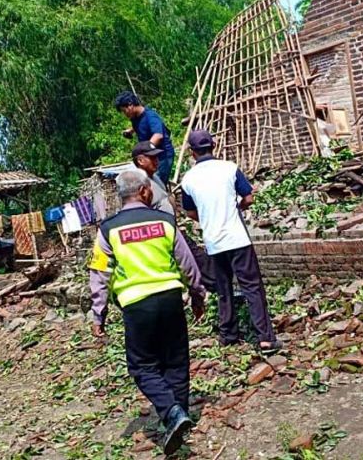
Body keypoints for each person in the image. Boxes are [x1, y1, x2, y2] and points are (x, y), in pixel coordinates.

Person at [89, 170, 206, 455]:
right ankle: (177, 416)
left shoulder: (108, 229)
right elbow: (186, 261)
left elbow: (100, 272)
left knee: (142, 366)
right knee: (176, 361)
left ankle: (172, 414)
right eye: (150, 188)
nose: (153, 191)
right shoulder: (164, 221)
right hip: (169, 299)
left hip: (135, 303)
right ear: (142, 191)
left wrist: (98, 313)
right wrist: (198, 293)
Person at [179, 130, 281, 354]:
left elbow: (189, 212)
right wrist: (236, 208)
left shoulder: (188, 179)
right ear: (213, 146)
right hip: (237, 237)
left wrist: (206, 217)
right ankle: (265, 338)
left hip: (214, 242)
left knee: (224, 289)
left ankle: (228, 335)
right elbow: (249, 197)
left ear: (192, 152)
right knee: (252, 287)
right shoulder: (229, 168)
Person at [132, 141, 218, 293]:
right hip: (159, 235)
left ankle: (217, 290)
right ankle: (213, 290)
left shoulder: (155, 178)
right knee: (195, 260)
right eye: (152, 158)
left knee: (198, 259)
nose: (157, 161)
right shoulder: (138, 183)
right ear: (140, 160)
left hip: (172, 230)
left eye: (157, 157)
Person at [115, 91, 176, 185]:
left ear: (130, 105)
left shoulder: (150, 116)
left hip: (163, 156)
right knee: (150, 182)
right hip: (150, 156)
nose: (124, 114)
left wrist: (143, 152)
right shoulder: (135, 118)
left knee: (157, 184)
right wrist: (130, 131)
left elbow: (158, 136)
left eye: (124, 111)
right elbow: (141, 125)